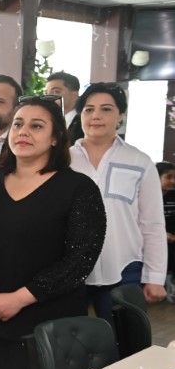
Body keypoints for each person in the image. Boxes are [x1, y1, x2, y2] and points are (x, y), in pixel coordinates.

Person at [0, 97, 106, 369]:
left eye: (36, 126)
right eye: (18, 124)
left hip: (48, 329)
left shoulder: (79, 189)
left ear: (55, 138)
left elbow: (80, 260)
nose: (23, 132)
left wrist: (19, 298)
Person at [70, 82, 167, 323]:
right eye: (89, 109)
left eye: (106, 109)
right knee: (71, 346)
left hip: (124, 267)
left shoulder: (139, 161)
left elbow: (152, 223)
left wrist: (155, 276)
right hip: (69, 269)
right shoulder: (63, 160)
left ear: (121, 115)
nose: (96, 116)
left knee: (126, 344)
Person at [45, 71, 83, 142]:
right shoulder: (46, 121)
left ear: (74, 95)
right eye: (46, 93)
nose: (48, 97)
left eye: (56, 92)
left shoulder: (83, 123)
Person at [158, 162, 175, 301]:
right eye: (169, 177)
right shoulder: (146, 195)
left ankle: (170, 282)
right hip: (154, 237)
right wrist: (161, 235)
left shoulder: (173, 195)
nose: (173, 181)